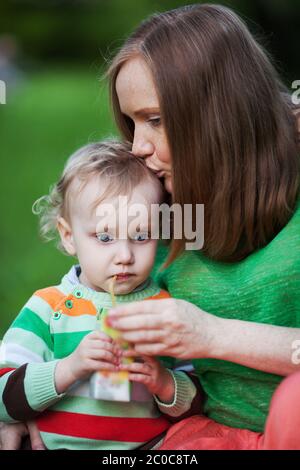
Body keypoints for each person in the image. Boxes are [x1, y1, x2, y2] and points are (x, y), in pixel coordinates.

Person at [1, 3, 300, 450]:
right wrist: (27, 404)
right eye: (132, 122)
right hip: (198, 437)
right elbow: (83, 292)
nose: (137, 146)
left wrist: (213, 335)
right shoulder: (160, 206)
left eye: (156, 120)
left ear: (221, 113)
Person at [0, 140, 201, 450]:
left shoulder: (166, 309)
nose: (124, 255)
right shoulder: (48, 307)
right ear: (68, 236)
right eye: (105, 236)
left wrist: (164, 383)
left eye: (141, 235)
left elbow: (200, 401)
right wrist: (69, 368)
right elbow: (3, 395)